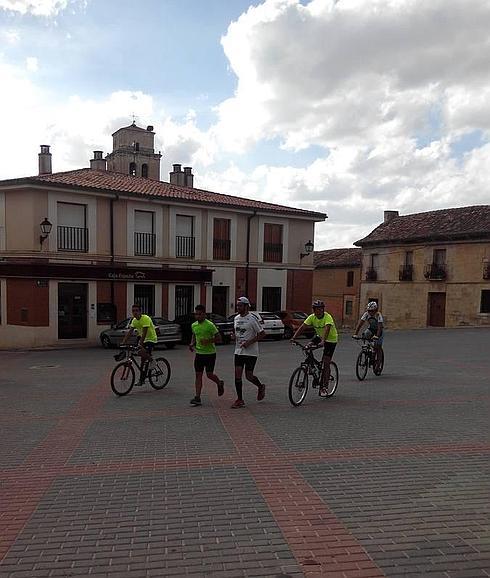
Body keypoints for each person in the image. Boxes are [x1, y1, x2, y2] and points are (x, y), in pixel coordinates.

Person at [291, 300, 338, 396]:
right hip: (320, 336)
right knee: (308, 347)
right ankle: (313, 367)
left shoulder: (327, 317)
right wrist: (294, 337)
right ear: (314, 310)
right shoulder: (312, 317)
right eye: (316, 309)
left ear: (323, 309)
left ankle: (324, 387)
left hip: (331, 339)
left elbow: (327, 329)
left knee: (326, 362)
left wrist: (323, 341)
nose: (319, 311)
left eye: (320, 309)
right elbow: (302, 327)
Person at [230, 296, 266, 409]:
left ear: (246, 306)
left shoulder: (252, 319)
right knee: (237, 374)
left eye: (240, 305)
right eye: (237, 305)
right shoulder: (236, 318)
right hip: (239, 351)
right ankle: (240, 399)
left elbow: (262, 334)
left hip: (251, 352)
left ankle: (260, 386)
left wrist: (249, 342)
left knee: (249, 376)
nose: (238, 307)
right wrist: (233, 336)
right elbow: (236, 332)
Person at [189, 305, 224, 406]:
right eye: (196, 314)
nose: (198, 316)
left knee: (209, 374)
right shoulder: (194, 325)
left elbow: (219, 339)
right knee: (198, 375)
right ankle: (197, 397)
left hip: (210, 354)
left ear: (204, 314)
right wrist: (192, 343)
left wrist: (208, 341)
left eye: (200, 314)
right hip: (199, 354)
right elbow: (194, 335)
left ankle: (219, 382)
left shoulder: (210, 325)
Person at [121, 303, 158, 385]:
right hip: (143, 339)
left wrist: (140, 344)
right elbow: (130, 332)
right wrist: (123, 342)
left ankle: (152, 361)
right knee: (142, 360)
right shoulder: (134, 320)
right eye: (133, 311)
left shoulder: (146, 318)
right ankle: (142, 380)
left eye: (137, 311)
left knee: (142, 353)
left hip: (151, 339)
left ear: (140, 311)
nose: (135, 313)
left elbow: (144, 333)